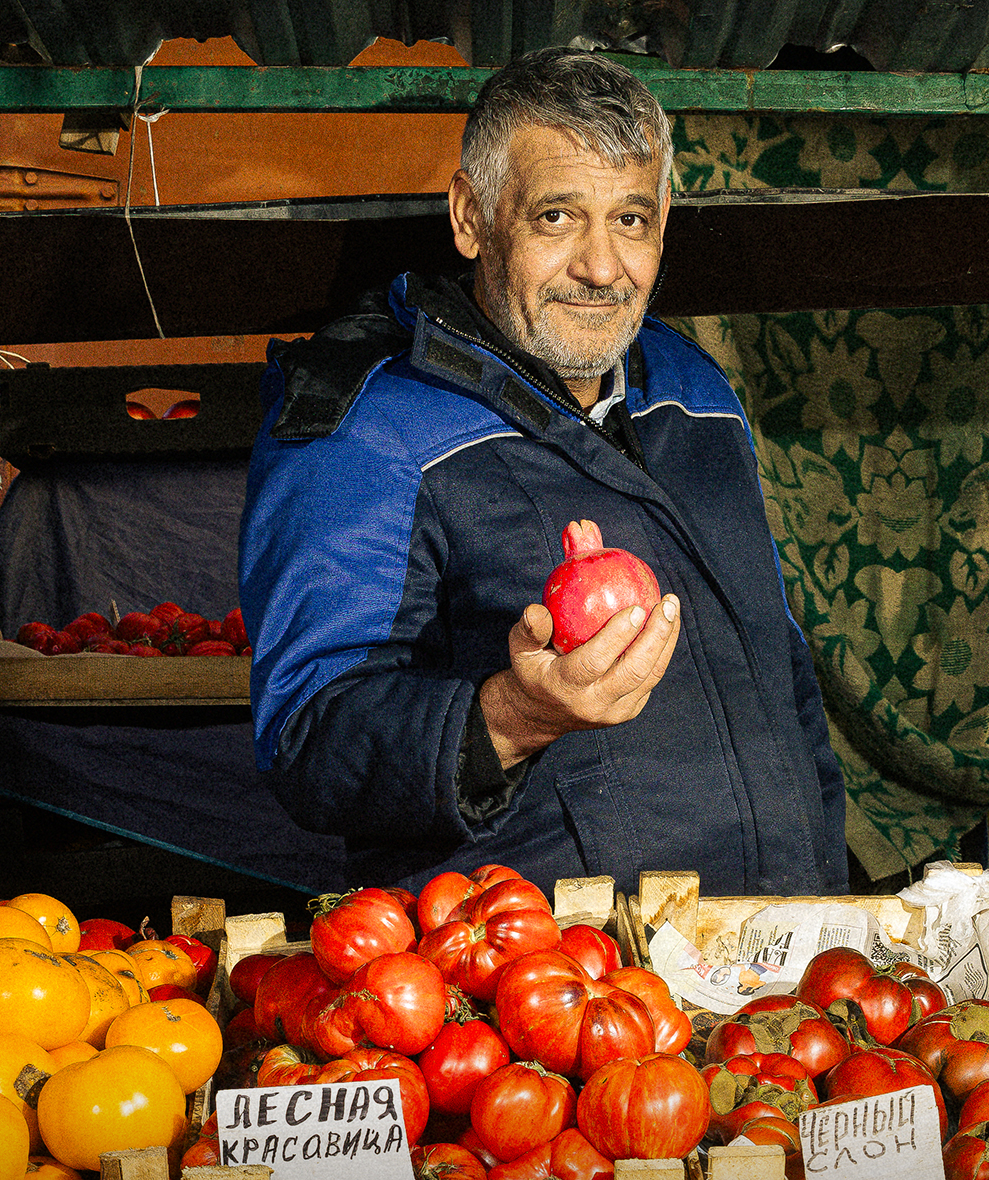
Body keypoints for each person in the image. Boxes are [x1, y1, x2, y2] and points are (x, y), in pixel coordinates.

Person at [238, 47, 846, 896]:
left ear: (664, 218)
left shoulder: (696, 393)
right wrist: (516, 719)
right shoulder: (368, 428)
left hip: (771, 973)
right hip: (554, 993)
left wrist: (828, 898)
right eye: (558, 218)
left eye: (630, 220)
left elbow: (783, 673)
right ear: (472, 216)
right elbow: (309, 742)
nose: (602, 268)